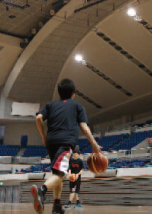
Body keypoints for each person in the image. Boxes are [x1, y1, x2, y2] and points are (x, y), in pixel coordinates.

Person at [30, 79, 101, 214]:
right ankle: (42, 190)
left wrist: (43, 137)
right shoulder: (77, 106)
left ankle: (57, 205)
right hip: (66, 142)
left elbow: (38, 118)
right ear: (73, 93)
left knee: (57, 173)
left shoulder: (51, 105)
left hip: (51, 142)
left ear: (59, 92)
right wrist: (94, 144)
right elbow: (83, 126)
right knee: (61, 174)